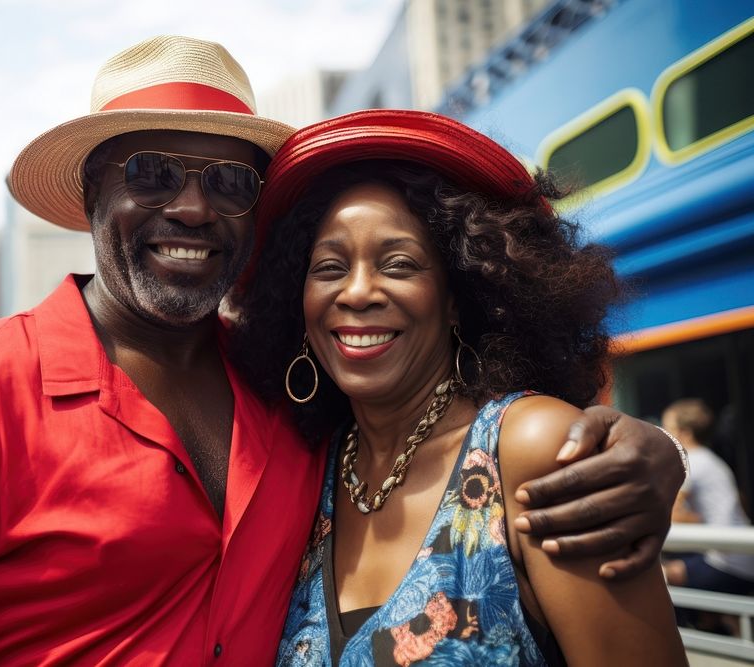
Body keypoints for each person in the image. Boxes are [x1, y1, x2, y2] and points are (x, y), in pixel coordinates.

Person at [0, 37, 685, 666]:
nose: (193, 208)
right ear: (92, 195)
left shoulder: (293, 399)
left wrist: (651, 452)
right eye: (151, 172)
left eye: (228, 180)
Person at [229, 110, 687, 665]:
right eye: (328, 268)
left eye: (398, 264)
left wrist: (668, 452)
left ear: (456, 295)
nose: (357, 292)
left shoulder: (532, 449)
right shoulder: (310, 470)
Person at [661, 398, 754, 595]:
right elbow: (741, 502)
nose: (662, 434)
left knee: (659, 575)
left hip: (726, 562)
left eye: (666, 428)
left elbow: (670, 515)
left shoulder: (689, 461)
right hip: (743, 557)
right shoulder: (711, 459)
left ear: (684, 433)